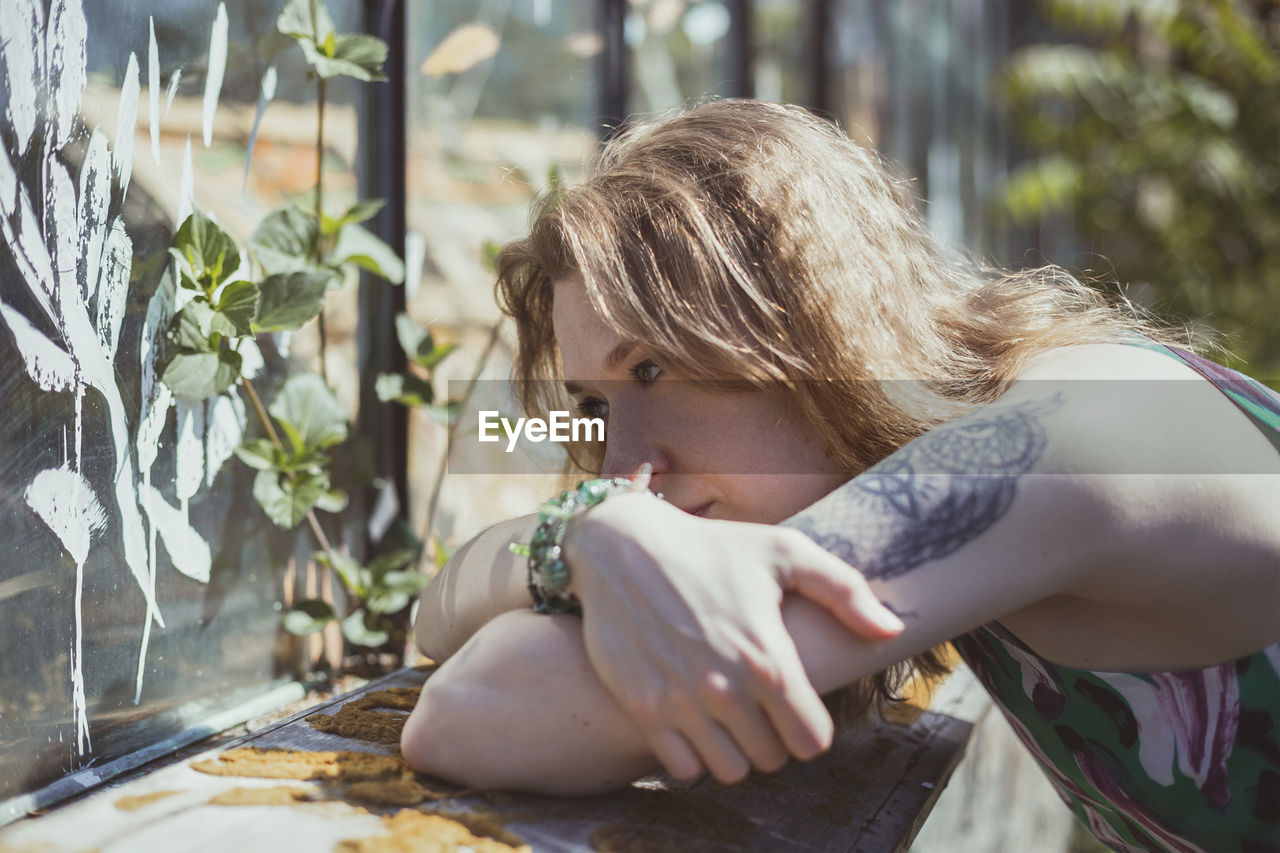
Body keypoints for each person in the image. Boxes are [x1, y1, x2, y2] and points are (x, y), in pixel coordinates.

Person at [401, 99, 1280, 852]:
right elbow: (435, 612)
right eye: (594, 404)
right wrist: (590, 531)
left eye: (655, 369)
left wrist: (589, 536)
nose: (629, 464)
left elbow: (475, 711)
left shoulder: (1050, 450)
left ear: (806, 323)